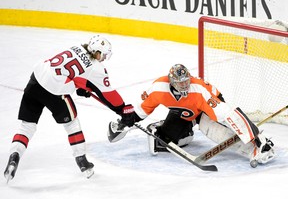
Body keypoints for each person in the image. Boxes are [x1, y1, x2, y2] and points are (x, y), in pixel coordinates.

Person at [4, 35, 135, 182]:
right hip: (54, 91)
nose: (104, 58)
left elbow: (69, 71)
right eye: (103, 54)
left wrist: (81, 86)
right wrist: (122, 108)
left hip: (35, 81)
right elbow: (107, 93)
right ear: (97, 52)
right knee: (72, 124)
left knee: (27, 126)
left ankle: (14, 158)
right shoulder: (96, 68)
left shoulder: (76, 47)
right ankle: (83, 162)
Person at [109, 64, 275, 167]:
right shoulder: (159, 88)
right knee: (162, 141)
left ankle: (255, 149)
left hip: (205, 108)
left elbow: (226, 114)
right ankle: (184, 130)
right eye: (180, 82)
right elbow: (142, 110)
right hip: (183, 113)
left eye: (186, 80)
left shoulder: (199, 90)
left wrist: (256, 136)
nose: (185, 84)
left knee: (217, 133)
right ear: (172, 81)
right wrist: (126, 122)